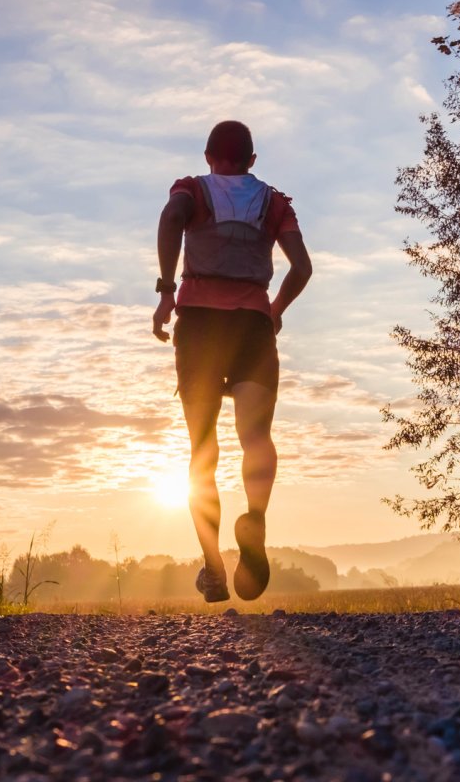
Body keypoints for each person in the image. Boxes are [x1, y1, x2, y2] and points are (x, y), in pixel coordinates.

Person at [152, 120, 312, 602]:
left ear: (207, 156)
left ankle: (214, 566)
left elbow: (170, 218)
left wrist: (166, 290)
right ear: (252, 161)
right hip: (252, 329)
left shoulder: (192, 190)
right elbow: (301, 267)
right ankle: (256, 519)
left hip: (199, 325)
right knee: (256, 437)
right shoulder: (273, 202)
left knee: (203, 448)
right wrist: (275, 310)